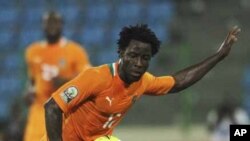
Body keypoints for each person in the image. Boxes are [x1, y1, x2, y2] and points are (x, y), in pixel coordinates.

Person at [43, 24, 240, 141]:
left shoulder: (143, 81)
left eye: (145, 58)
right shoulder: (96, 77)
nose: (138, 63)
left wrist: (218, 56)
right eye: (133, 55)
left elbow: (178, 82)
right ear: (121, 53)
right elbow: (52, 107)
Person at [24, 11, 91, 141]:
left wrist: (66, 83)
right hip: (38, 114)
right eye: (48, 22)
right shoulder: (32, 51)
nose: (52, 26)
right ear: (42, 26)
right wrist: (29, 91)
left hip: (65, 112)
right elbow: (32, 81)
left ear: (62, 25)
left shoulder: (76, 51)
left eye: (55, 22)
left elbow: (88, 81)